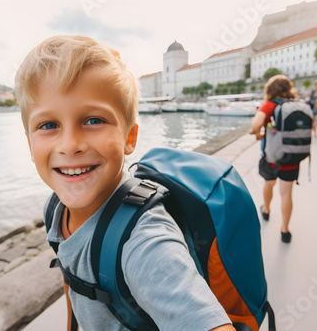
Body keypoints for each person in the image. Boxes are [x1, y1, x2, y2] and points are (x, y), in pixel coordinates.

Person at [15, 35, 234, 331]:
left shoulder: (145, 242)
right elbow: (73, 281)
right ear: (30, 145)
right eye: (49, 125)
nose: (69, 145)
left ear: (129, 137)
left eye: (93, 120)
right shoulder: (55, 208)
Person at [249, 75, 300, 243]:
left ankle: (266, 209)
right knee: (287, 193)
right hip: (292, 157)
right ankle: (285, 230)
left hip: (272, 158)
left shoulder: (269, 105)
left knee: (269, 184)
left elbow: (256, 125)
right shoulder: (296, 104)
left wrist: (258, 134)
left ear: (270, 90)